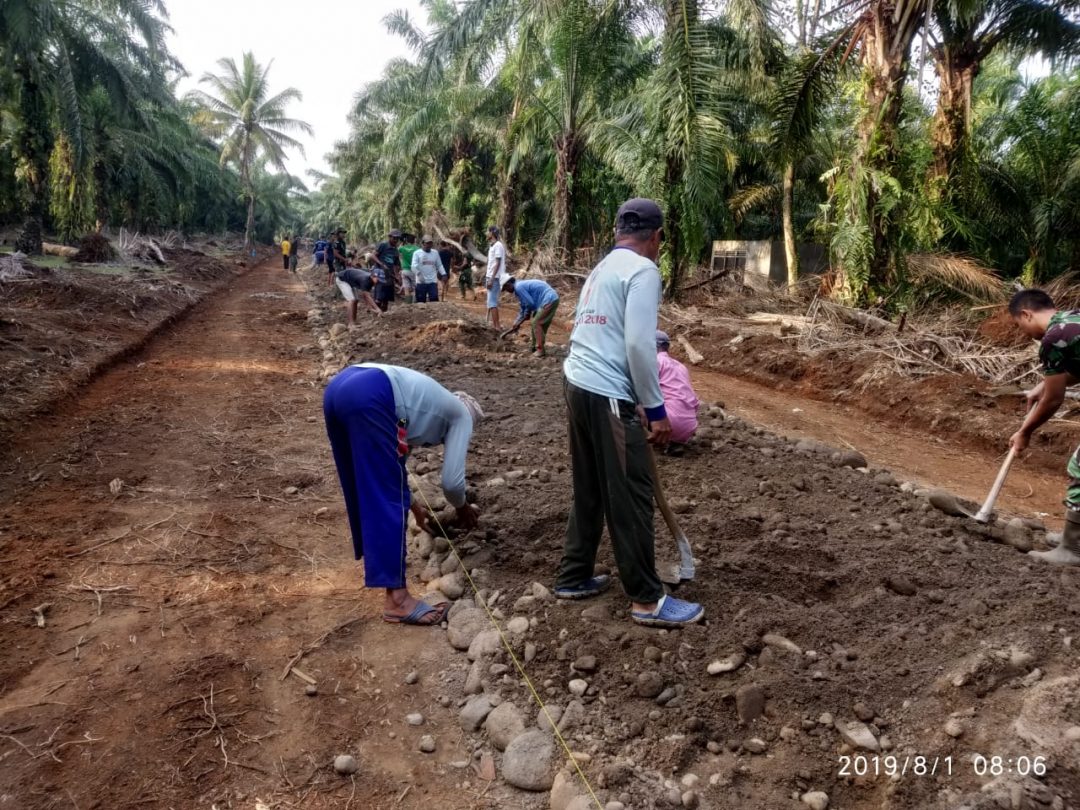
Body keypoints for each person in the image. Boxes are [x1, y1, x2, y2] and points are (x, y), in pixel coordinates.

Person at [556, 198, 704, 628]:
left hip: (576, 382)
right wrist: (656, 408)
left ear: (618, 231)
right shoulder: (643, 271)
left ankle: (574, 574)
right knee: (632, 493)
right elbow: (640, 344)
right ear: (656, 237)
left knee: (591, 488)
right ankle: (647, 600)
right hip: (604, 394)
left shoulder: (602, 268)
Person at [323, 364, 484, 624]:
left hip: (341, 386)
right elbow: (452, 484)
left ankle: (382, 571)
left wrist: (413, 504)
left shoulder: (426, 403)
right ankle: (397, 601)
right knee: (385, 498)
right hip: (372, 394)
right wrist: (462, 507)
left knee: (363, 483)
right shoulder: (462, 416)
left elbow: (395, 461)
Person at [1008, 289, 1080, 565]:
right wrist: (1045, 382)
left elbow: (1053, 400)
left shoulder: (1053, 337)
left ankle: (1072, 549)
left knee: (1079, 468)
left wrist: (1025, 431)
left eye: (1019, 325)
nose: (1023, 332)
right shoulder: (1072, 320)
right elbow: (1074, 369)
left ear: (1026, 314)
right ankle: (1074, 536)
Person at [655, 331, 701, 454]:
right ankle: (675, 443)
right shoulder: (681, 366)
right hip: (690, 425)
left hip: (667, 422)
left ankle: (640, 441)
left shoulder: (654, 362)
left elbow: (644, 390)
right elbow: (695, 402)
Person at [500, 276, 560, 357]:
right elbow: (523, 307)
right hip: (549, 300)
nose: (507, 291)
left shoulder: (519, 287)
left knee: (537, 323)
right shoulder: (519, 287)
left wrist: (527, 314)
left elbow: (530, 304)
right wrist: (517, 322)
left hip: (549, 299)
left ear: (508, 284)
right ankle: (534, 348)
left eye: (506, 289)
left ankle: (540, 350)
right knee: (537, 323)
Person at [333, 260, 382, 325]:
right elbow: (367, 296)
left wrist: (369, 307)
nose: (379, 281)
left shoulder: (371, 281)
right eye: (378, 278)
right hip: (342, 279)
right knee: (351, 300)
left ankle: (354, 321)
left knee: (356, 300)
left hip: (350, 280)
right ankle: (351, 325)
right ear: (373, 276)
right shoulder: (365, 280)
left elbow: (365, 295)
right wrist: (377, 309)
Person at [372, 229, 403, 313]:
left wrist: (397, 276)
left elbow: (396, 265)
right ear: (389, 237)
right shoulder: (383, 245)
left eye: (397, 238)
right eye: (394, 238)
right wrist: (381, 264)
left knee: (386, 298)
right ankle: (376, 313)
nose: (396, 240)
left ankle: (384, 314)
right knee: (379, 296)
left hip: (389, 274)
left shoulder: (395, 250)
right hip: (379, 272)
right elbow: (373, 256)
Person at [412, 236, 446, 303]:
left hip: (432, 281)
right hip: (421, 282)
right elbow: (413, 266)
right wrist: (419, 274)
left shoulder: (435, 253)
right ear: (423, 243)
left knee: (434, 300)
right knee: (421, 301)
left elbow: (439, 265)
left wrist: (444, 274)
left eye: (430, 243)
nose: (429, 245)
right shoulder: (417, 253)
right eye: (427, 243)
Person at [485, 225, 507, 329]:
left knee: (492, 303)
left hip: (494, 278)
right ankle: (494, 326)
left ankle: (496, 328)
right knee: (490, 302)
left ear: (492, 233)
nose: (486, 233)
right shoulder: (492, 245)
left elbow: (497, 263)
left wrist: (492, 278)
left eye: (487, 232)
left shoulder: (498, 245)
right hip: (491, 277)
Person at [398, 234, 420, 304]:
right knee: (415, 288)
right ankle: (414, 303)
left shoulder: (402, 248)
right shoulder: (417, 249)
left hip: (405, 270)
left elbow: (398, 250)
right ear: (414, 241)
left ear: (406, 240)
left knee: (406, 288)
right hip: (414, 271)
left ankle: (408, 304)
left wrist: (402, 242)